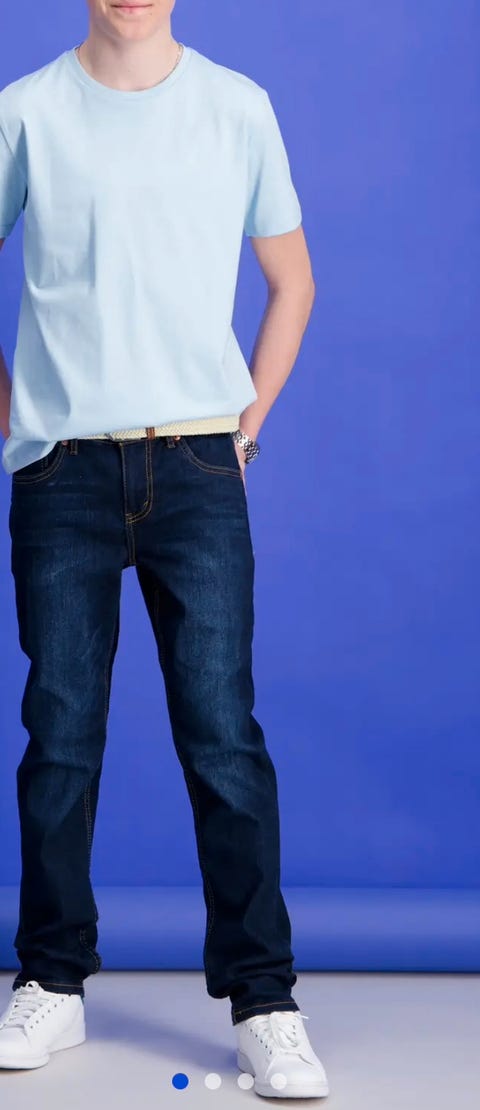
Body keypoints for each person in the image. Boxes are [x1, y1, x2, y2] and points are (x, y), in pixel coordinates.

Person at [0, 0, 329, 1097]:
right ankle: (51, 981)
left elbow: (293, 281)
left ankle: (266, 1002)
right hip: (62, 471)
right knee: (60, 735)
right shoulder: (25, 114)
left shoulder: (237, 109)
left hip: (196, 467)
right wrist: (13, 412)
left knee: (224, 735)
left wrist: (248, 425)